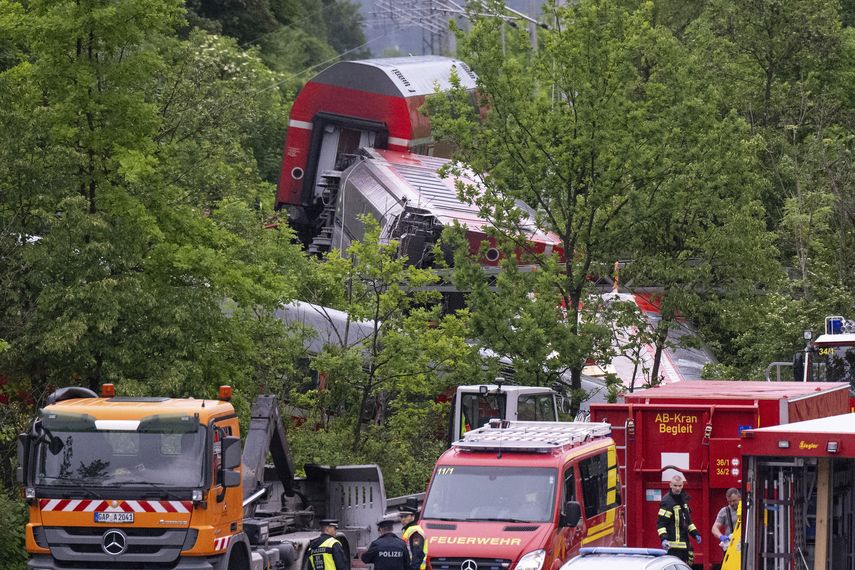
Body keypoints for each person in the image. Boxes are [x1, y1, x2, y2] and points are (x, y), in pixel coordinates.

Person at [657, 474, 702, 564]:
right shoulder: (667, 501)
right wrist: (663, 539)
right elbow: (661, 523)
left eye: (680, 486)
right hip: (672, 547)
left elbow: (688, 521)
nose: (677, 488)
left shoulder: (683, 499)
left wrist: (695, 533)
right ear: (670, 485)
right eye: (675, 486)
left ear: (683, 485)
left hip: (684, 545)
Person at [400, 505, 427, 570]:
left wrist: (413, 568)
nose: (403, 519)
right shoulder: (408, 530)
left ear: (413, 516)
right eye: (401, 517)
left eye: (406, 516)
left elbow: (417, 553)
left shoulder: (415, 532)